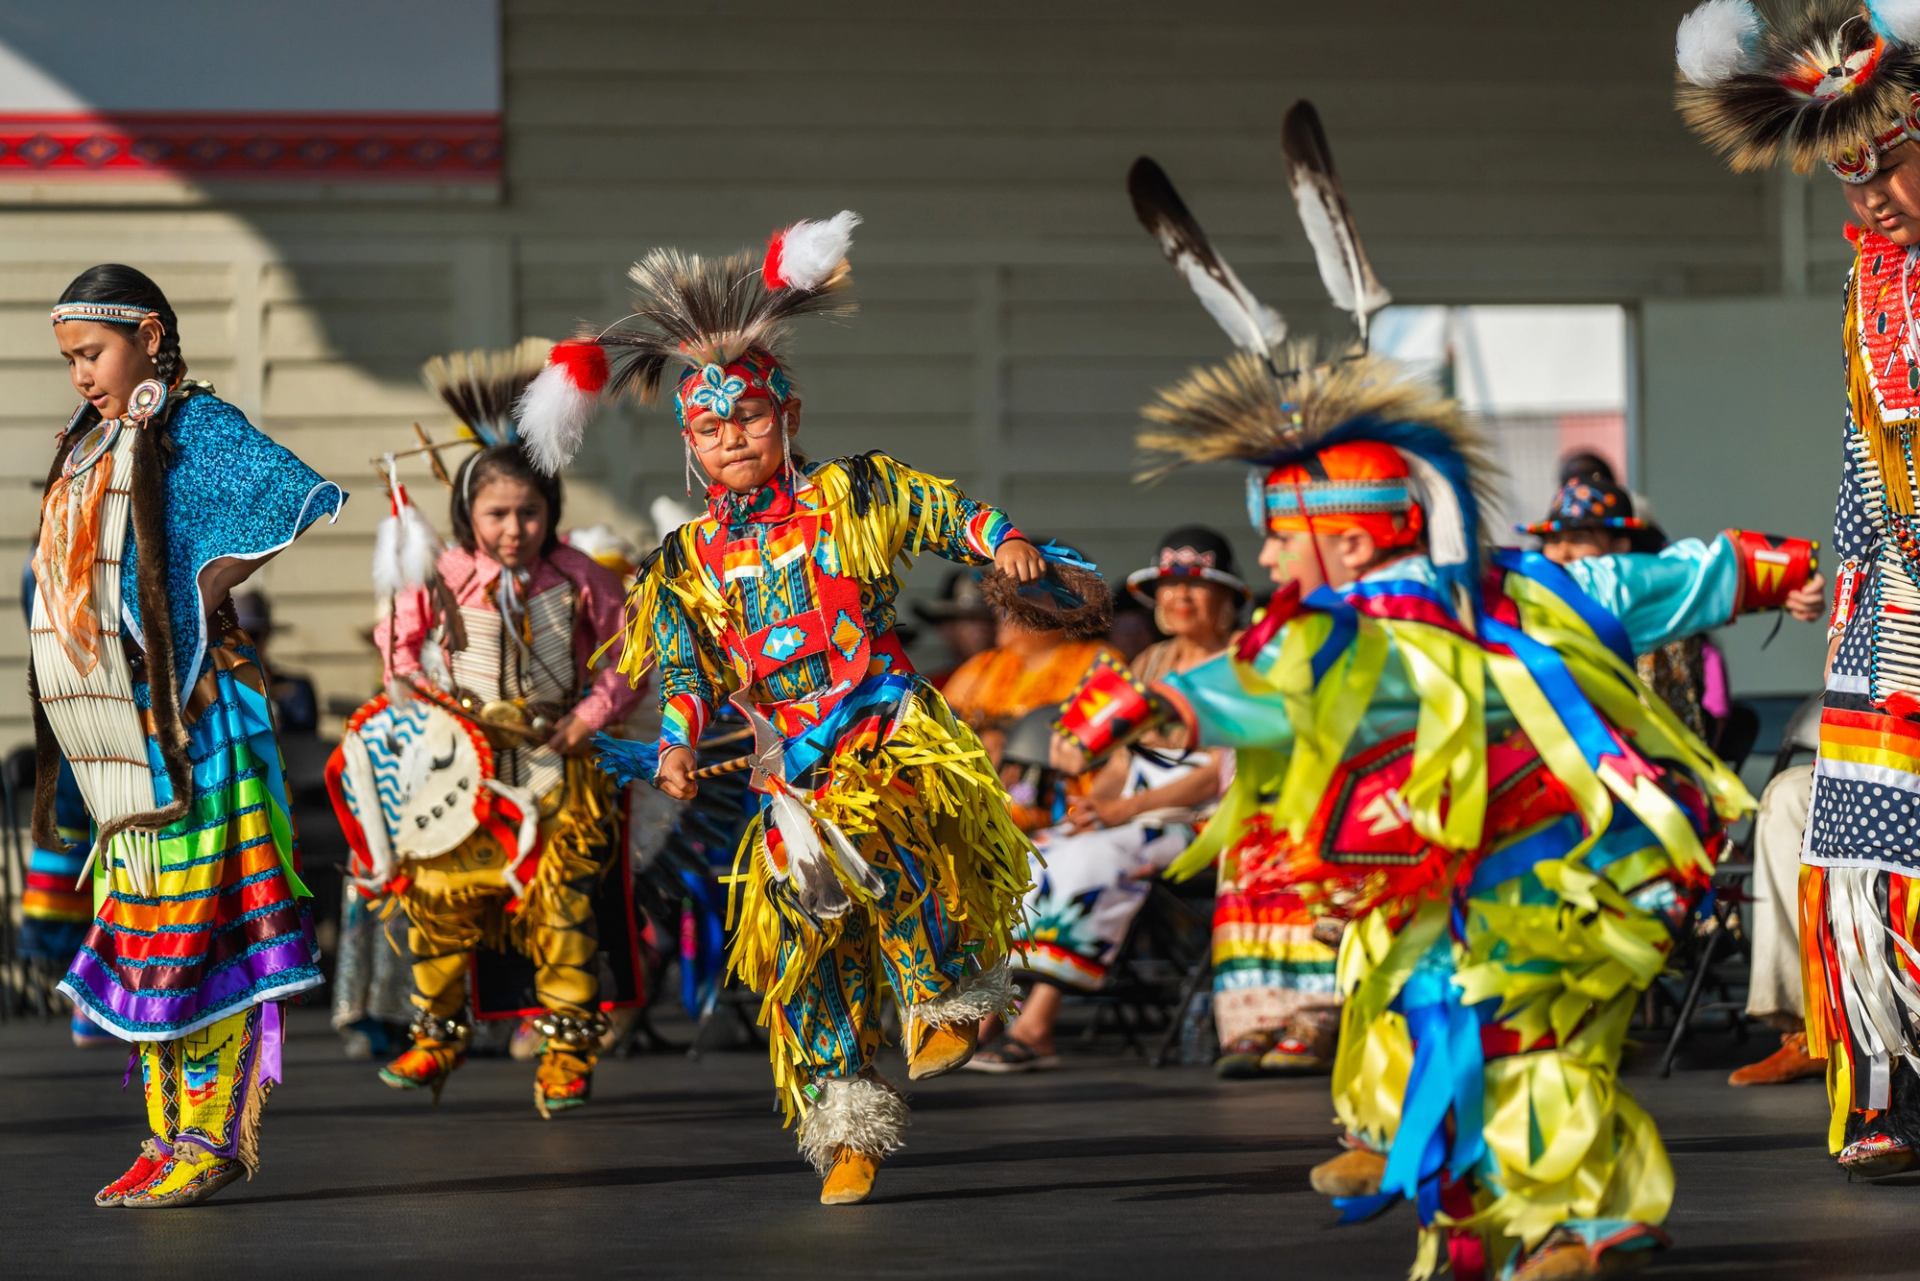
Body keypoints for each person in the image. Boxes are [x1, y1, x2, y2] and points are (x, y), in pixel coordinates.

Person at [1071, 102, 1825, 1276]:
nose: (1264, 562)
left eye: (1282, 541)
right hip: (1443, 893)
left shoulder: (1507, 592)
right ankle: (1531, 1214)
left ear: (1356, 539)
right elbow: (1244, 699)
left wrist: (1774, 569)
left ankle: (1576, 1223)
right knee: (1454, 1038)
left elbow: (1664, 578)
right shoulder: (1323, 633)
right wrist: (1145, 707)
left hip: (1573, 880)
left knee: (1523, 1042)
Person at [523, 211, 1053, 1206]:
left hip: (886, 730)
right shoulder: (687, 562)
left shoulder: (856, 495)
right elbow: (680, 671)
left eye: (752, 420)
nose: (734, 440)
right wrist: (678, 746)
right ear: (691, 442)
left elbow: (945, 511)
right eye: (712, 429)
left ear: (790, 417)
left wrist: (1006, 544)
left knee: (882, 836)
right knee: (806, 943)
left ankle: (943, 992)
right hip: (786, 763)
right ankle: (845, 1127)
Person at [30, 264, 345, 1206]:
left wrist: (203, 587)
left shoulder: (195, 428)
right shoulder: (93, 443)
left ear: (152, 336)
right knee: (148, 922)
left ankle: (211, 1133)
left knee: (205, 920)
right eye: (70, 360)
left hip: (201, 716)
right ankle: (169, 1131)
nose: (81, 375)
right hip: (125, 725)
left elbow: (291, 490)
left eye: (93, 353)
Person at [1675, 0, 1920, 1175]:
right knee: (1868, 849)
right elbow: (1862, 450)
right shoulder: (1870, 285)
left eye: (1892, 166)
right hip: (1894, 606)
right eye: (1847, 177)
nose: (1871, 197)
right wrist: (1846, 568)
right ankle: (1891, 1093)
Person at [357, 341, 640, 1115]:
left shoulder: (582, 578)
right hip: (459, 762)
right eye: (497, 514)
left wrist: (587, 718)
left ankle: (567, 1048)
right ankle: (438, 1033)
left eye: (529, 512)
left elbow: (626, 659)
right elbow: (398, 644)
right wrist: (411, 690)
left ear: (551, 512)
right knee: (442, 897)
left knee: (561, 904)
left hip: (554, 760)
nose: (514, 528)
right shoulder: (442, 572)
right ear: (466, 516)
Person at [970, 526, 1243, 1072]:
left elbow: (1221, 772)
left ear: (1229, 598)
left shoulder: (1246, 662)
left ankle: (1038, 1025)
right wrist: (1098, 805)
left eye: (1193, 587)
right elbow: (1123, 758)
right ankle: (984, 1014)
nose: (1177, 598)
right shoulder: (1150, 663)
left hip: (1209, 817)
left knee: (1100, 857)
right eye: (1166, 588)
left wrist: (1123, 812)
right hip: (1138, 809)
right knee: (1040, 851)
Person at [911, 568, 996, 685]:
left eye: (992, 619)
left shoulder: (1023, 683)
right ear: (946, 628)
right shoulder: (930, 692)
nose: (983, 628)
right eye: (970, 618)